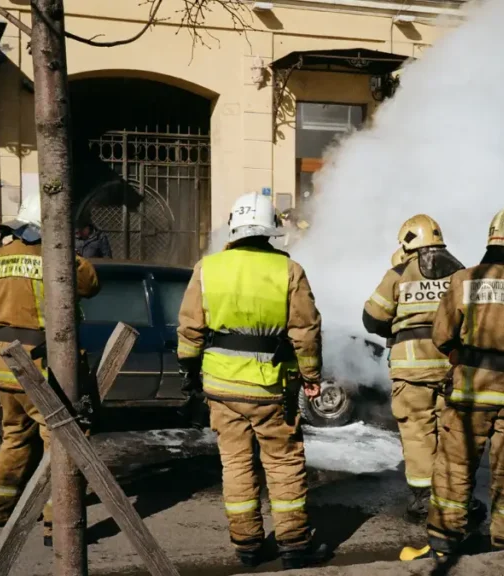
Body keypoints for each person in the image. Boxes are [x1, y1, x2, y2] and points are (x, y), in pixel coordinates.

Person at [176, 192, 329, 570]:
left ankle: (247, 544)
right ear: (271, 230)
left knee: (236, 464)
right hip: (272, 388)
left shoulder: (207, 268)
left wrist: (190, 372)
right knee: (282, 463)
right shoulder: (289, 271)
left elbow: (190, 329)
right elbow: (305, 331)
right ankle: (294, 543)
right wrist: (311, 377)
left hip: (221, 386)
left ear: (234, 227)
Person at [402, 204, 504, 560]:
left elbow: (442, 335)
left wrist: (460, 354)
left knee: (455, 469)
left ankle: (443, 545)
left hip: (469, 394)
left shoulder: (464, 280)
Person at [0, 200, 101, 545]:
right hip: (46, 367)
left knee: (14, 436)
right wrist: (67, 248)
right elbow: (90, 283)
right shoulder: (57, 258)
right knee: (60, 444)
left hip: (6, 363)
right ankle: (56, 524)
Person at [362, 215, 468, 522]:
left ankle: (425, 501)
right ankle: (456, 496)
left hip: (411, 370)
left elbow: (372, 318)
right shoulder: (462, 273)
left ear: (408, 241)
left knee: (418, 434)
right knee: (452, 433)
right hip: (452, 367)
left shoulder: (398, 273)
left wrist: (394, 325)